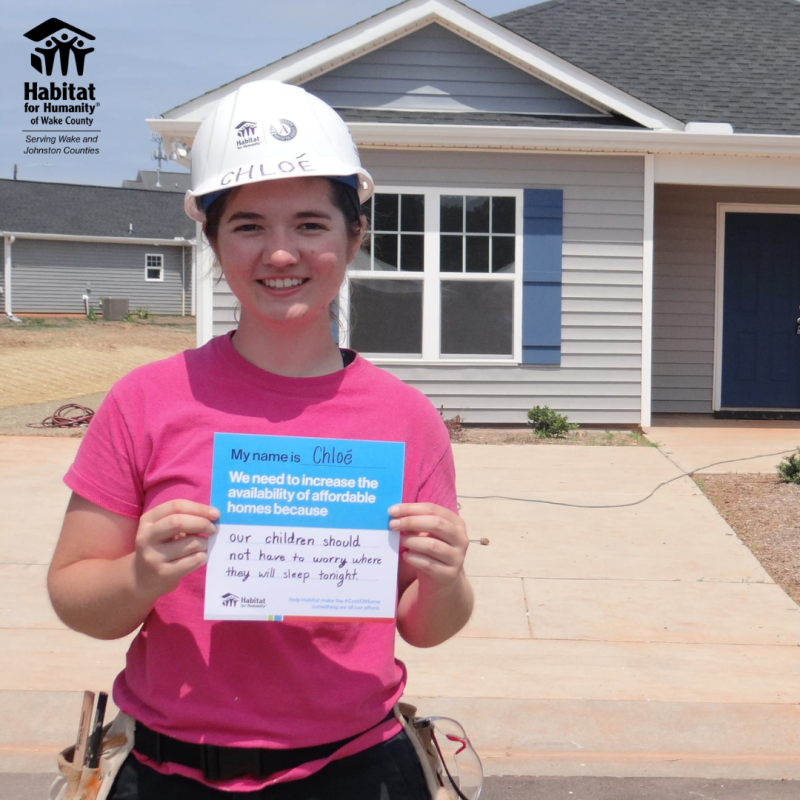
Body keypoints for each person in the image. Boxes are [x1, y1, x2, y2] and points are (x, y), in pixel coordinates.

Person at [47, 80, 474, 800]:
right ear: (212, 240)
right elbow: (74, 595)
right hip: (170, 775)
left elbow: (427, 627)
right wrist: (141, 577)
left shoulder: (405, 417)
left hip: (358, 772)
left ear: (354, 236)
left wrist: (446, 576)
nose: (281, 253)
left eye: (310, 223)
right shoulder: (147, 401)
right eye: (248, 226)